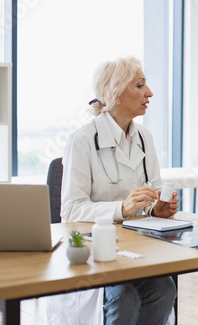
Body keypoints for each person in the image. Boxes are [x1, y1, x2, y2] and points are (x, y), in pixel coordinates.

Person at [47, 56, 178, 325]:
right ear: (117, 94)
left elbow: (152, 192)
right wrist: (121, 208)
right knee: (124, 295)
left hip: (136, 246)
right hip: (95, 248)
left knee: (164, 288)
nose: (149, 93)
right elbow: (70, 211)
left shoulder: (144, 137)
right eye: (140, 85)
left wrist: (157, 208)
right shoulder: (82, 140)